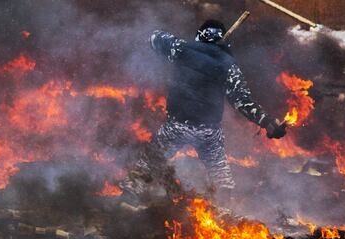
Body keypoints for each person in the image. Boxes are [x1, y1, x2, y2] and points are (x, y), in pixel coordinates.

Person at [119, 20, 286, 208]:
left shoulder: (181, 48)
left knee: (151, 160)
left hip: (177, 126)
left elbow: (155, 37)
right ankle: (225, 210)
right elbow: (243, 101)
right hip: (209, 132)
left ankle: (129, 197)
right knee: (220, 175)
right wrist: (267, 122)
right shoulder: (228, 65)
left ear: (200, 35)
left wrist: (159, 36)